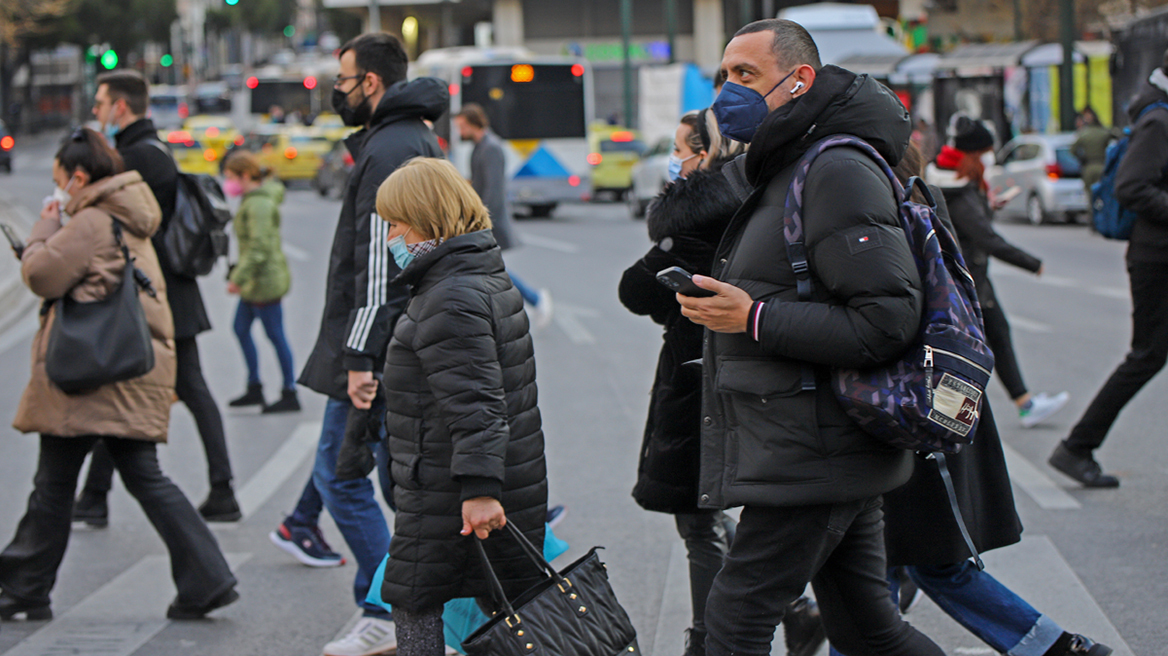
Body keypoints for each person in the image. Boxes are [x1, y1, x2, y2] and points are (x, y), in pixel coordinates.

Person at [677, 19, 945, 656]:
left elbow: (886, 320)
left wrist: (754, 318)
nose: (727, 92)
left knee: (732, 625)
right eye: (723, 76)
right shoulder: (785, 166)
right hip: (814, 446)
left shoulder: (834, 169)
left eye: (746, 75)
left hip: (817, 450)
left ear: (798, 82)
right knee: (869, 633)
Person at [824, 142, 1113, 656]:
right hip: (935, 408)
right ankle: (1053, 646)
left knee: (889, 566)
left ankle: (1053, 647)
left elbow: (883, 326)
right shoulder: (926, 205)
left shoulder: (891, 224)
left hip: (900, 413)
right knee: (923, 563)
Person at [0, 128, 237, 621]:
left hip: (92, 375)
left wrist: (43, 227)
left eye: (59, 181)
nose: (57, 191)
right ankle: (205, 578)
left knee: (56, 484)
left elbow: (42, 274)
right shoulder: (127, 213)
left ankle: (25, 588)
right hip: (122, 369)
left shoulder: (90, 220)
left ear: (80, 177)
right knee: (128, 477)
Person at [619, 109, 823, 656]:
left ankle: (710, 639)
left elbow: (633, 291)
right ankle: (793, 611)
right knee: (712, 514)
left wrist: (664, 257)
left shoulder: (693, 220)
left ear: (706, 153)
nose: (676, 161)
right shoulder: (751, 203)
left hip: (698, 380)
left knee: (698, 520)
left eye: (684, 150)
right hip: (738, 374)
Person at [274, 33, 448, 656]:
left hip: (375, 348)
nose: (336, 91)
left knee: (339, 478)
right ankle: (412, 612)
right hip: (394, 343)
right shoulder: (408, 138)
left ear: (370, 82)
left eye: (343, 80)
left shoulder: (388, 149)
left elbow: (379, 264)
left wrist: (357, 359)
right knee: (390, 484)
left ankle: (389, 608)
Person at [373, 156, 548, 656]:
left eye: (395, 223)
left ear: (427, 221)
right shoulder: (481, 274)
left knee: (414, 600)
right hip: (482, 475)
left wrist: (479, 490)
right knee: (505, 602)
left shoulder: (450, 296)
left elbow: (477, 403)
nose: (391, 236)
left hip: (450, 486)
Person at [81, 70, 240, 523]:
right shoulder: (151, 151)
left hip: (157, 293)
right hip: (167, 293)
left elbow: (127, 229)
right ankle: (94, 496)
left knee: (162, 387)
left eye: (100, 102)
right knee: (141, 387)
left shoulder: (137, 158)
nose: (96, 111)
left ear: (121, 107)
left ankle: (221, 489)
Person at [1051, 53, 1168, 488]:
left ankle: (1078, 445)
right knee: (1146, 356)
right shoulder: (1159, 120)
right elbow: (1132, 186)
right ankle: (1077, 446)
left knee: (1148, 356)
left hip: (1156, 254)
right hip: (1157, 257)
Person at [926, 116, 1070, 428]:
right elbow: (985, 238)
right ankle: (949, 414)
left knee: (994, 336)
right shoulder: (959, 192)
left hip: (967, 277)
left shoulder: (952, 182)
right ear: (974, 155)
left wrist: (990, 205)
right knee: (971, 346)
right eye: (986, 152)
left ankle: (1023, 403)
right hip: (967, 281)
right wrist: (1032, 263)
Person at [453, 103, 553, 328]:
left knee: (492, 268)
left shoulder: (491, 148)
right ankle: (530, 301)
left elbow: (494, 192)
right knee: (491, 268)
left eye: (461, 127)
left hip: (488, 222)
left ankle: (534, 299)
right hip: (484, 220)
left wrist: (480, 223)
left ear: (471, 124)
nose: (459, 132)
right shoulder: (482, 146)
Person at [221, 150, 299, 413]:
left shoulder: (258, 205)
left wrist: (237, 279)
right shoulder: (252, 199)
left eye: (231, 177)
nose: (228, 183)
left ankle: (290, 391)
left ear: (245, 176)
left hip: (264, 282)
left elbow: (258, 247)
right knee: (241, 328)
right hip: (254, 282)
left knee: (275, 335)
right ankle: (255, 386)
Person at [1071, 107, 1114, 205]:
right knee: (1106, 196)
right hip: (1103, 166)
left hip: (1089, 167)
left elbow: (1073, 150)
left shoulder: (1083, 133)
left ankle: (1093, 218)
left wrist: (1082, 159)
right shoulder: (1104, 132)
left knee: (1090, 198)